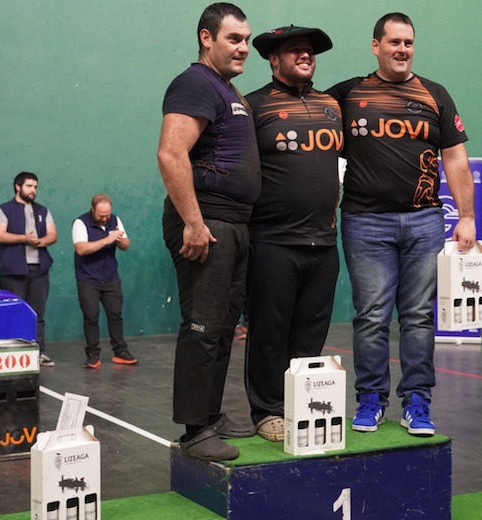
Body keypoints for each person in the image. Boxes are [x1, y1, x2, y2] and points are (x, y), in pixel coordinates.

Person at [328, 12, 476, 436]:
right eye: (394, 42)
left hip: (425, 222)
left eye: (408, 42)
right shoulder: (347, 95)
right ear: (376, 46)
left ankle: (417, 402)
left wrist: (467, 216)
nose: (402, 49)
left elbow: (455, 160)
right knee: (372, 316)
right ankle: (371, 400)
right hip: (364, 223)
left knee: (418, 317)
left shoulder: (435, 95)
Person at [157, 2, 260, 461]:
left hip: (233, 224)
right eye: (233, 39)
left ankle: (210, 415)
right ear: (206, 38)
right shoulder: (195, 82)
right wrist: (194, 223)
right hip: (207, 223)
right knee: (202, 326)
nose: (244, 48)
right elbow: (170, 153)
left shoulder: (226, 88)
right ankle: (195, 431)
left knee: (221, 328)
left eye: (246, 40)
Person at [244, 25, 342, 441]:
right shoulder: (254, 106)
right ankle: (266, 411)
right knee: (269, 333)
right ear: (273, 59)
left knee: (310, 334)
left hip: (325, 243)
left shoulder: (332, 106)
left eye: (309, 51)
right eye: (295, 50)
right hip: (272, 242)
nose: (305, 56)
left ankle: (300, 405)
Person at [0, 171, 58, 367]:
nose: (33, 190)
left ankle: (38, 352)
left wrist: (41, 241)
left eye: (35, 187)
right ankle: (10, 354)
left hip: (39, 271)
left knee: (37, 314)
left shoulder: (43, 211)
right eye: (29, 186)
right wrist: (24, 239)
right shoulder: (4, 210)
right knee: (12, 313)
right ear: (18, 187)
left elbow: (53, 234)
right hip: (13, 272)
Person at [72, 193, 137, 369]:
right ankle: (93, 355)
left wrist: (120, 240)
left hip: (110, 278)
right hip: (88, 279)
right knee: (91, 317)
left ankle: (120, 351)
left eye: (107, 215)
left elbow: (125, 245)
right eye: (101, 215)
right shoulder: (80, 223)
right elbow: (81, 249)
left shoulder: (115, 220)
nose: (105, 218)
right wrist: (107, 240)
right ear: (92, 210)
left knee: (115, 314)